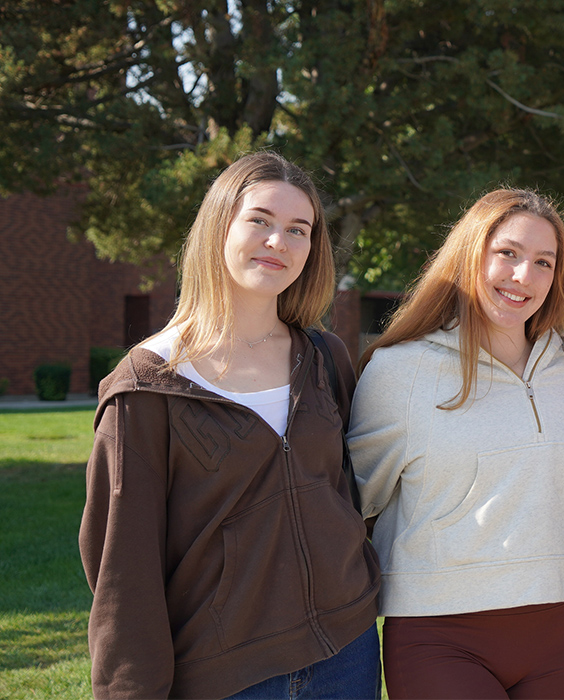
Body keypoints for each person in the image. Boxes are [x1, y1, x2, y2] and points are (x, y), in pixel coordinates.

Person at [79, 152, 382, 699]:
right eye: (260, 220)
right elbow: (124, 568)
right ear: (219, 226)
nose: (278, 242)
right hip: (226, 674)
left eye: (298, 229)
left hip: (347, 651)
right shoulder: (146, 386)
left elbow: (350, 488)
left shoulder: (323, 357)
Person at [347, 188, 564, 699]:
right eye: (507, 253)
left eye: (544, 262)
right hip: (439, 635)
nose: (523, 276)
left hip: (560, 631)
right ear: (470, 254)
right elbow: (353, 504)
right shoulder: (400, 372)